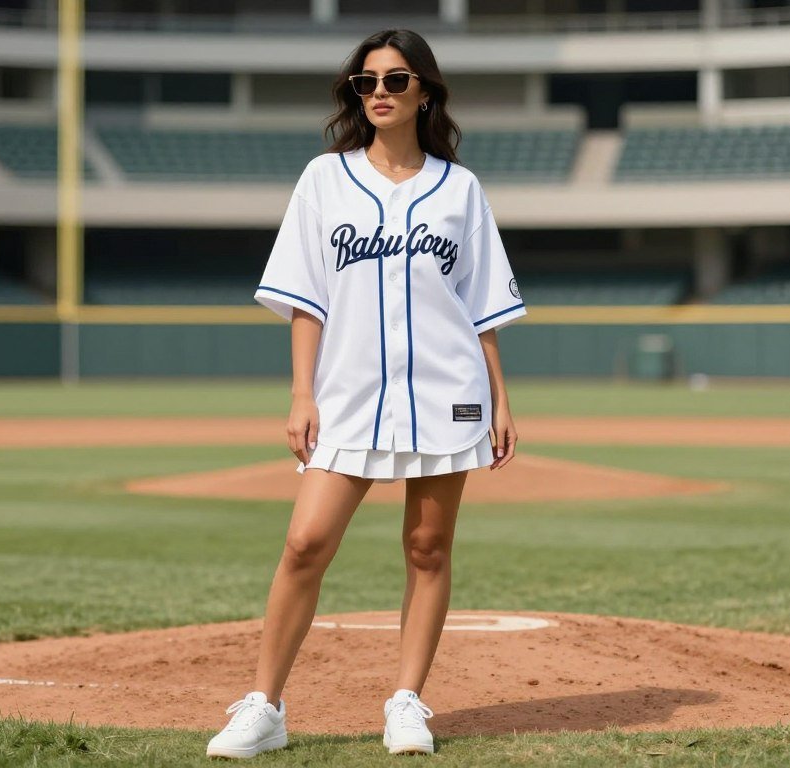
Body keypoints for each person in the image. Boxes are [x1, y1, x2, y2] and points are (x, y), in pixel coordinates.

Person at [206, 28, 526, 760]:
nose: (379, 91)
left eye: (396, 79)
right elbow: (306, 301)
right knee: (305, 542)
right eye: (366, 81)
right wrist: (301, 393)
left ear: (425, 92)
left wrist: (502, 399)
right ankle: (266, 705)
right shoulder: (325, 178)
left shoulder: (460, 188)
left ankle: (407, 702)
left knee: (427, 547)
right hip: (348, 391)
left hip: (449, 388)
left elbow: (481, 308)